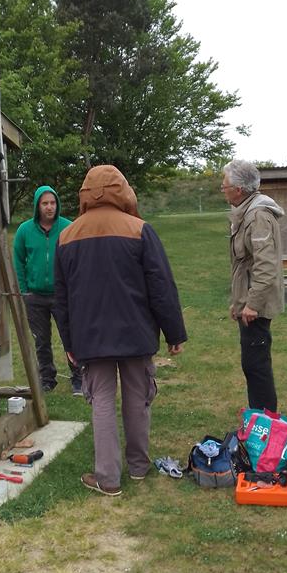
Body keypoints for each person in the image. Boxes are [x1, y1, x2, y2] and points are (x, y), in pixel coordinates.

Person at [54, 165, 187, 497]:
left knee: (101, 400)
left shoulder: (66, 236)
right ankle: (139, 467)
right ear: (123, 190)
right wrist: (174, 333)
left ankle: (108, 478)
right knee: (138, 397)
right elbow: (161, 287)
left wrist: (69, 342)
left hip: (90, 336)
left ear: (85, 194)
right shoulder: (140, 229)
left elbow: (61, 298)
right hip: (135, 332)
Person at [220, 159, 285, 413]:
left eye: (224, 185)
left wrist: (252, 304)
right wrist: (238, 303)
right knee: (252, 363)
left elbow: (265, 265)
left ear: (238, 189)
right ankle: (260, 420)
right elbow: (242, 265)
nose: (222, 189)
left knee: (257, 365)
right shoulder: (245, 212)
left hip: (256, 305)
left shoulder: (258, 215)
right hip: (247, 302)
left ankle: (264, 424)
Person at [13, 185, 82, 395]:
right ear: (37, 206)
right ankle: (47, 379)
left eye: (52, 203)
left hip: (62, 295)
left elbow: (78, 260)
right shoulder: (24, 230)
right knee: (41, 340)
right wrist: (25, 290)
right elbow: (18, 261)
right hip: (34, 296)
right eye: (45, 203)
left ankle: (79, 378)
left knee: (70, 337)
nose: (49, 207)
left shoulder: (69, 227)